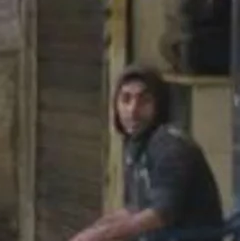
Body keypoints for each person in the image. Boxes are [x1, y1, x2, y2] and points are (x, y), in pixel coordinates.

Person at [69, 65, 224, 241]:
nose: (133, 111)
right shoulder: (138, 144)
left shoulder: (171, 146)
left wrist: (99, 236)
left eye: (144, 101)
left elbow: (158, 215)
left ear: (160, 105)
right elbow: (134, 209)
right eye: (126, 99)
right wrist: (91, 231)